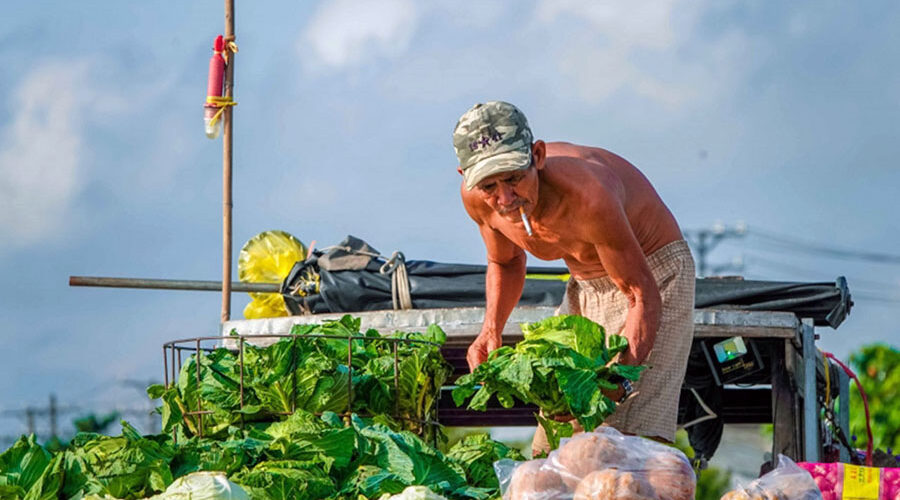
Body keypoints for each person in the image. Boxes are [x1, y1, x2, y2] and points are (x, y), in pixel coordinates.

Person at [452, 101, 695, 453]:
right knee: (554, 445)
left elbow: (641, 296)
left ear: (537, 155)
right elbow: (505, 263)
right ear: (466, 176)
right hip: (584, 286)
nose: (505, 198)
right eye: (489, 186)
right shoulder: (477, 200)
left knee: (628, 446)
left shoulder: (588, 195)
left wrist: (619, 380)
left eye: (514, 178)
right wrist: (491, 329)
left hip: (654, 277)